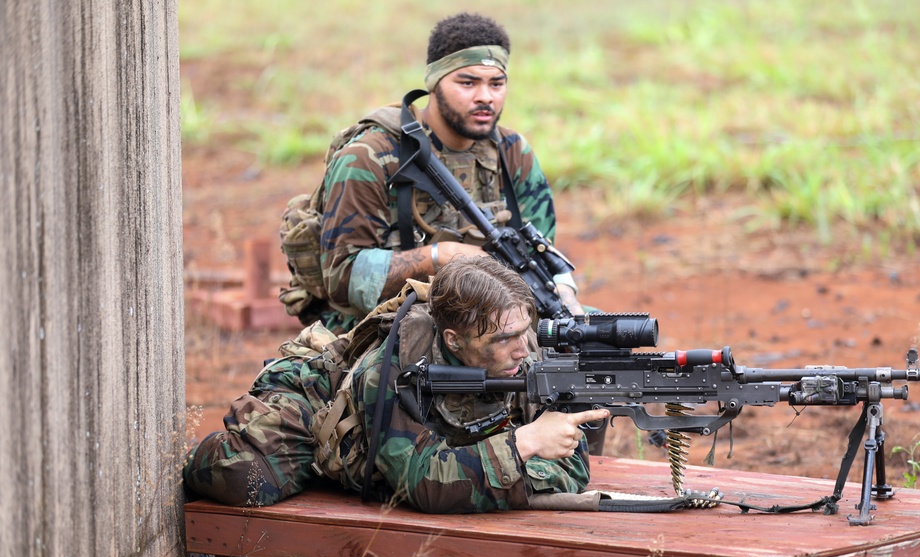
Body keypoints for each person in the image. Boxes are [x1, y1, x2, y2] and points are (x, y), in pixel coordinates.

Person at [184, 255, 607, 513]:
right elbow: (423, 486)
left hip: (406, 439)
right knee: (247, 478)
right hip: (320, 407)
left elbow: (572, 468)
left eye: (523, 332)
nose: (522, 350)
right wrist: (522, 446)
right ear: (453, 341)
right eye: (502, 340)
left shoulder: (519, 341)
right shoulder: (395, 367)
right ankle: (184, 461)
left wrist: (474, 474)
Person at [303, 11, 583, 335]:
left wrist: (565, 296)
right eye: (467, 82)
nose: (485, 97)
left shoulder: (511, 151)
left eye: (496, 83)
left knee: (601, 344)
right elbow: (342, 279)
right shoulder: (370, 156)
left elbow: (540, 255)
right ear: (434, 83)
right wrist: (438, 257)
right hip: (389, 326)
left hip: (496, 319)